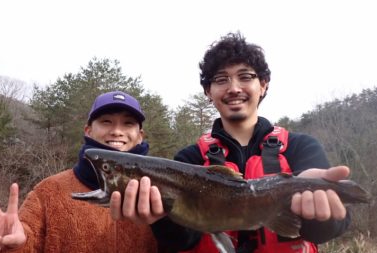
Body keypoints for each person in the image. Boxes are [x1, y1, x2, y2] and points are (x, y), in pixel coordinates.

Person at [112, 32, 353, 253]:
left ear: (264, 84)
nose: (234, 88)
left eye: (245, 77)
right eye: (221, 80)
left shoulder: (301, 147)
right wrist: (160, 219)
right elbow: (182, 241)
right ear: (208, 91)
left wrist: (323, 213)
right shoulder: (189, 159)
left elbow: (328, 230)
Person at [0, 91, 163, 253]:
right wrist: (6, 245)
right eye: (106, 121)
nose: (116, 131)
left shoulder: (161, 192)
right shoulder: (49, 191)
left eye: (128, 123)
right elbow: (25, 241)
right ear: (88, 131)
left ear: (140, 136)